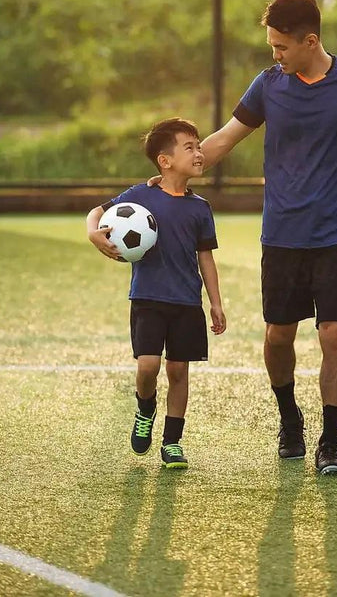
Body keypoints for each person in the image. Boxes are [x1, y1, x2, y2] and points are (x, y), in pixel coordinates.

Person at [199, 0, 337, 475]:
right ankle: (290, 421)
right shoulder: (268, 85)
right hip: (282, 233)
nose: (275, 55)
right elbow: (225, 139)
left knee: (334, 334)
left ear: (310, 41)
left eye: (281, 46)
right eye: (271, 45)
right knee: (277, 335)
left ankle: (330, 443)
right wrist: (173, 173)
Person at [86, 118, 226, 470]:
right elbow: (98, 212)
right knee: (148, 366)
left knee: (178, 371)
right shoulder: (140, 197)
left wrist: (216, 302)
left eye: (199, 146)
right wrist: (92, 233)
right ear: (165, 161)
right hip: (148, 298)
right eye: (190, 147)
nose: (199, 153)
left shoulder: (200, 208)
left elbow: (205, 258)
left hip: (187, 301)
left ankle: (172, 442)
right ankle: (145, 407)